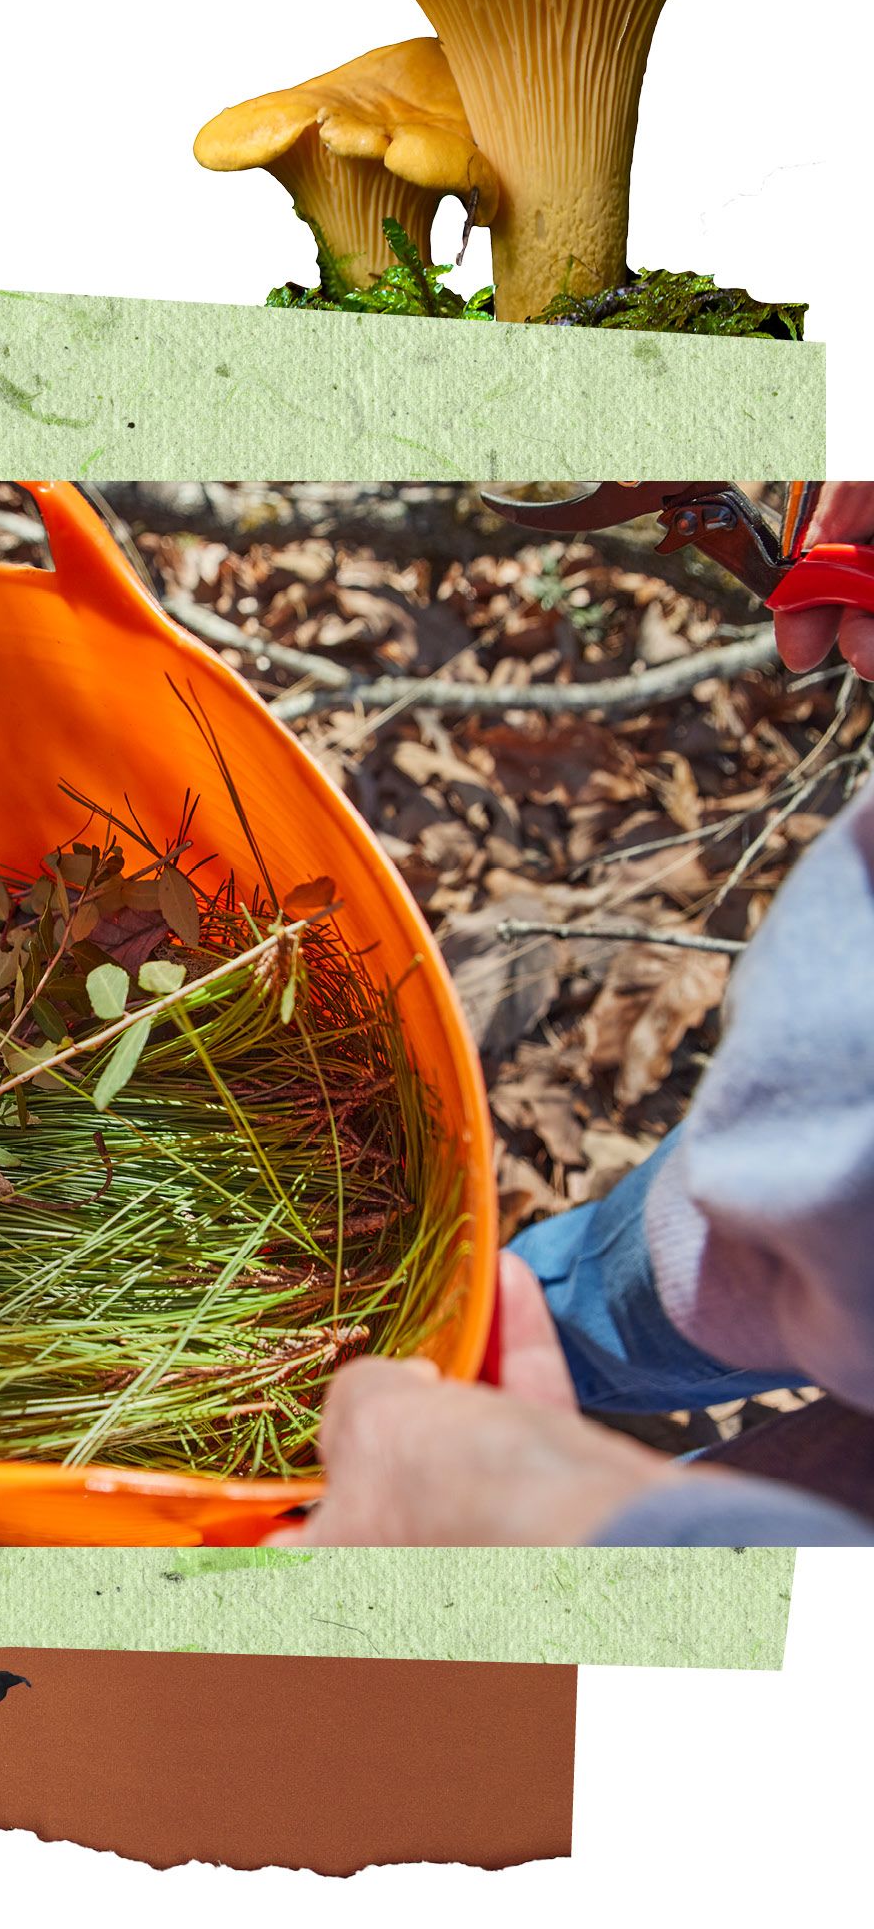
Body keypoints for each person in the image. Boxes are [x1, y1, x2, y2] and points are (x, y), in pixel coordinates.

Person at [275, 483, 874, 1547]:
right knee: (602, 1297)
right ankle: (519, 1331)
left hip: (801, 1212)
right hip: (768, 1204)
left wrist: (559, 1538)